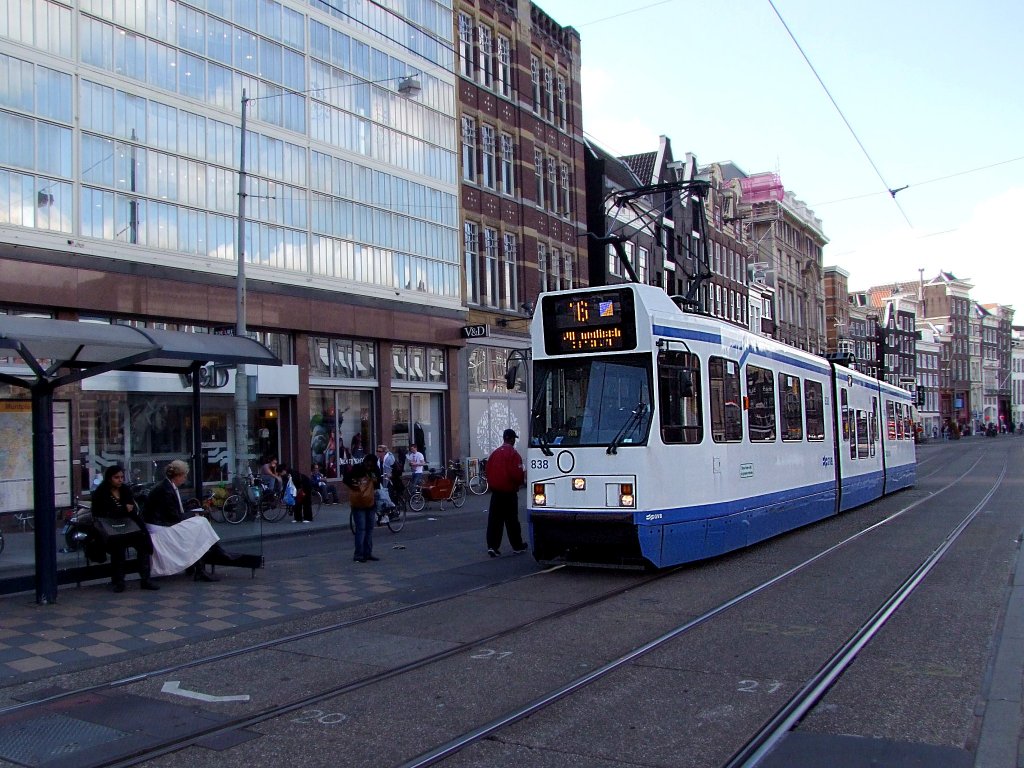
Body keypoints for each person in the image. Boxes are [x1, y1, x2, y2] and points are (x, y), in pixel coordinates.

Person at [144, 459, 222, 582]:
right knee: (201, 522)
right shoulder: (166, 490)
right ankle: (211, 556)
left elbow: (173, 512)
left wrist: (190, 512)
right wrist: (193, 513)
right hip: (160, 527)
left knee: (199, 524)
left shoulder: (167, 486)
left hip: (161, 523)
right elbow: (174, 517)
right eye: (184, 476)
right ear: (178, 475)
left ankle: (202, 565)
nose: (185, 478)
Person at [91, 465, 159, 593]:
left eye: (122, 477)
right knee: (118, 549)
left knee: (143, 544)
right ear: (109, 478)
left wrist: (122, 510)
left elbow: (131, 508)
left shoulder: (125, 490)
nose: (120, 480)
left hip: (128, 525)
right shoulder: (101, 492)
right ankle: (119, 581)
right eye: (116, 477)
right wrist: (122, 509)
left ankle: (145, 579)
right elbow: (104, 512)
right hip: (111, 529)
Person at [485, 428, 528, 558]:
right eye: (514, 438)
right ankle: (517, 546)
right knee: (512, 521)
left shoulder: (495, 453)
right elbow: (516, 474)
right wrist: (520, 482)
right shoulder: (513, 454)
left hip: (496, 493)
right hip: (509, 493)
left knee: (494, 521)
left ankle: (492, 546)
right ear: (511, 439)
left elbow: (488, 470)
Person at [345, 454, 381, 562]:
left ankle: (367, 553)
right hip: (359, 503)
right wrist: (356, 487)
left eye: (371, 465)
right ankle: (359, 554)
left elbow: (377, 483)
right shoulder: (357, 468)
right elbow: (347, 479)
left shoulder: (374, 469)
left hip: (369, 502)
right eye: (368, 464)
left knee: (368, 528)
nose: (369, 466)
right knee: (362, 529)